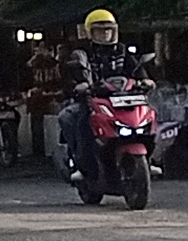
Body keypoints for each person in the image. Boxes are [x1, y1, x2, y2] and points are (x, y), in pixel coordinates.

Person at [57, 9, 151, 184]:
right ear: (90, 32)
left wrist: (145, 80)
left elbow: (136, 68)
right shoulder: (82, 52)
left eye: (108, 30)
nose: (105, 34)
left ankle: (150, 158)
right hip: (93, 100)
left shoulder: (123, 51)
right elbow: (74, 71)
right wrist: (81, 84)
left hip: (123, 99)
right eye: (100, 31)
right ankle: (83, 167)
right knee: (82, 122)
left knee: (148, 116)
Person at [23, 41, 61, 162]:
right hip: (38, 97)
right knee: (36, 122)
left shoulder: (54, 64)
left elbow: (57, 78)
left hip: (50, 94)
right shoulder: (36, 63)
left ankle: (49, 149)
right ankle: (38, 149)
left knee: (49, 122)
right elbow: (28, 66)